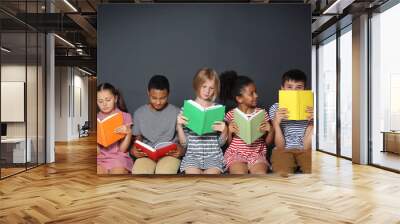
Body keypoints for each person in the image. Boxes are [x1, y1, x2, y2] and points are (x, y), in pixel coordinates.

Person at [176, 68, 228, 174]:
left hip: (214, 157)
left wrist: (225, 130)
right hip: (192, 157)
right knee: (194, 181)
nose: (207, 91)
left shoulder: (218, 110)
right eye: (204, 86)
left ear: (215, 90)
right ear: (197, 85)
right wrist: (179, 126)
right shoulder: (187, 109)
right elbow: (184, 144)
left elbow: (221, 143)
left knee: (210, 181)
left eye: (211, 88)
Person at [130, 75, 182, 174]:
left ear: (168, 94)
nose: (158, 102)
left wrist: (181, 150)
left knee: (164, 173)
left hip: (169, 155)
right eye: (154, 98)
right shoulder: (139, 113)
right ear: (148, 93)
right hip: (147, 155)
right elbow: (138, 139)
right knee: (139, 173)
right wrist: (134, 149)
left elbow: (183, 139)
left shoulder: (177, 112)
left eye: (163, 98)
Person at [269, 69, 314, 176]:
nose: (294, 91)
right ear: (282, 88)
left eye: (298, 87)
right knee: (282, 172)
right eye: (289, 87)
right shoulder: (275, 108)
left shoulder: (312, 108)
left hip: (305, 148)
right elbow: (280, 147)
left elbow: (307, 146)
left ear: (304, 90)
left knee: (313, 171)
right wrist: (276, 124)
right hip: (283, 149)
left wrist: (313, 123)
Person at [97, 83, 133, 174]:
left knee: (116, 176)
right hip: (100, 157)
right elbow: (98, 152)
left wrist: (128, 133)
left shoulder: (125, 116)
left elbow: (122, 150)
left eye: (108, 100)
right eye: (100, 101)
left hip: (119, 157)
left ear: (115, 99)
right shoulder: (96, 119)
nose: (104, 104)